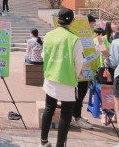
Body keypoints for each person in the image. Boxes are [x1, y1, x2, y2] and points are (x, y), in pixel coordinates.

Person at [40, 8, 83, 147]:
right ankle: (60, 144)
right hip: (67, 81)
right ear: (71, 21)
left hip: (50, 77)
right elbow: (79, 63)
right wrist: (75, 75)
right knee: (65, 114)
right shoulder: (74, 39)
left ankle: (43, 142)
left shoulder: (48, 35)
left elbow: (42, 56)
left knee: (48, 109)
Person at [70, 14, 96, 130]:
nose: (92, 28)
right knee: (79, 94)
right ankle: (76, 118)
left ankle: (77, 116)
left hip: (86, 69)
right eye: (91, 25)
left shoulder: (87, 37)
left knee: (81, 94)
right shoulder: (78, 37)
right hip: (80, 70)